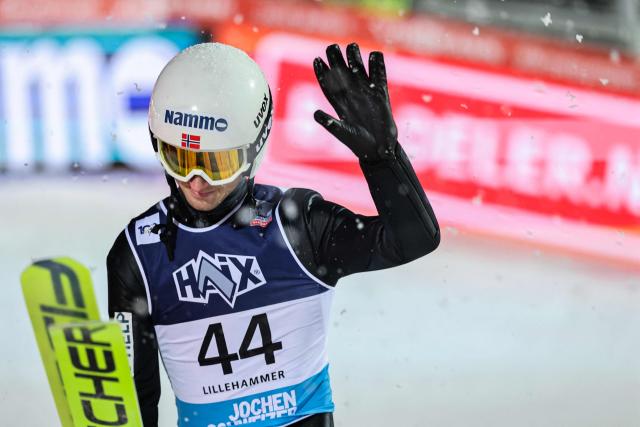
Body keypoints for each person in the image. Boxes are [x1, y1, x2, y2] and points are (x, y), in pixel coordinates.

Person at [107, 41, 440, 427]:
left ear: (254, 150)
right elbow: (136, 397)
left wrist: (383, 160)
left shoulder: (298, 226)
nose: (196, 182)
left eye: (218, 163)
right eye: (180, 160)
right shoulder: (137, 254)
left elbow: (414, 239)